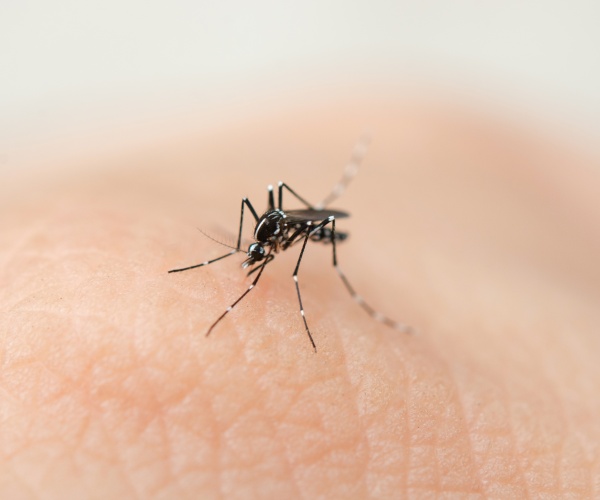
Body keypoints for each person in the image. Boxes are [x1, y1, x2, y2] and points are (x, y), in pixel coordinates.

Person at [1, 99, 598, 497]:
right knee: (262, 207)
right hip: (289, 220)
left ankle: (331, 292)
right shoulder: (257, 231)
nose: (252, 259)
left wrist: (287, 271)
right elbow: (258, 229)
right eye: (254, 252)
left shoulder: (287, 241)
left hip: (315, 223)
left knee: (288, 260)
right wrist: (233, 251)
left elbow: (285, 240)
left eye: (253, 253)